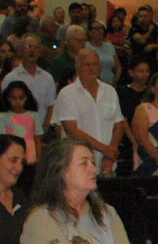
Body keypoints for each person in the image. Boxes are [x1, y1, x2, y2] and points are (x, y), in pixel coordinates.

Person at [54, 48, 126, 176]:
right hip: (77, 166)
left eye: (95, 64)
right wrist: (106, 149)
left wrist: (109, 156)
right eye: (87, 64)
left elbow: (119, 126)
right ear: (78, 67)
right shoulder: (66, 94)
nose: (92, 68)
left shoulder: (110, 92)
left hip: (107, 166)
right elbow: (72, 131)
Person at [0, 78, 41, 164]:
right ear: (8, 99)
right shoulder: (3, 117)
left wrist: (39, 158)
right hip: (10, 155)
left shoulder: (34, 115)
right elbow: (1, 140)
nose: (17, 101)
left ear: (26, 98)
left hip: (30, 156)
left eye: (21, 98)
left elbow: (37, 139)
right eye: (14, 98)